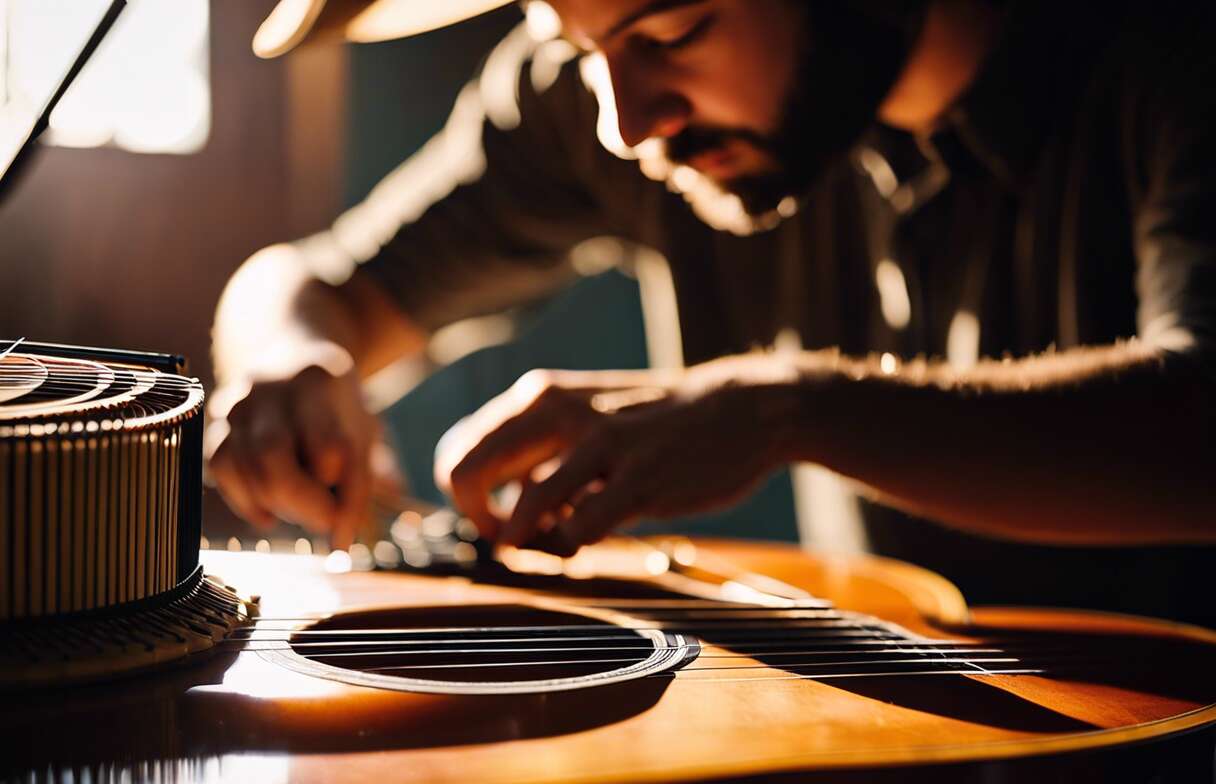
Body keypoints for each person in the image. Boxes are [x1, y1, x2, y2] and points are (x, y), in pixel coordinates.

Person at [208, 0, 1216, 580]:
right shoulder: (617, 86)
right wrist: (291, 364)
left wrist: (783, 408)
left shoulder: (1167, 52)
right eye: (577, 48)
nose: (626, 122)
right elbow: (310, 285)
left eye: (676, 28)